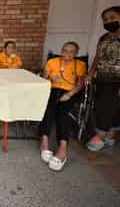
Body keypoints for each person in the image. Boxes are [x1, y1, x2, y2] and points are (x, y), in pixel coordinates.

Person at [86, 6, 120, 151]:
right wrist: (90, 73)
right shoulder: (104, 38)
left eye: (113, 18)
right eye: (105, 19)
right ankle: (111, 134)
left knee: (105, 107)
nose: (108, 21)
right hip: (102, 78)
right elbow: (97, 57)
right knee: (114, 107)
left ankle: (99, 136)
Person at [39, 41, 86, 171]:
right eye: (65, 50)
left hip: (70, 92)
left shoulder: (80, 64)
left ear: (76, 53)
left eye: (71, 52)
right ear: (61, 50)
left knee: (62, 114)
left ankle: (62, 149)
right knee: (48, 110)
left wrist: (70, 94)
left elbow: (80, 84)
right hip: (53, 89)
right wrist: (51, 79)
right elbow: (43, 80)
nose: (67, 54)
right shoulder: (52, 62)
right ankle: (44, 141)